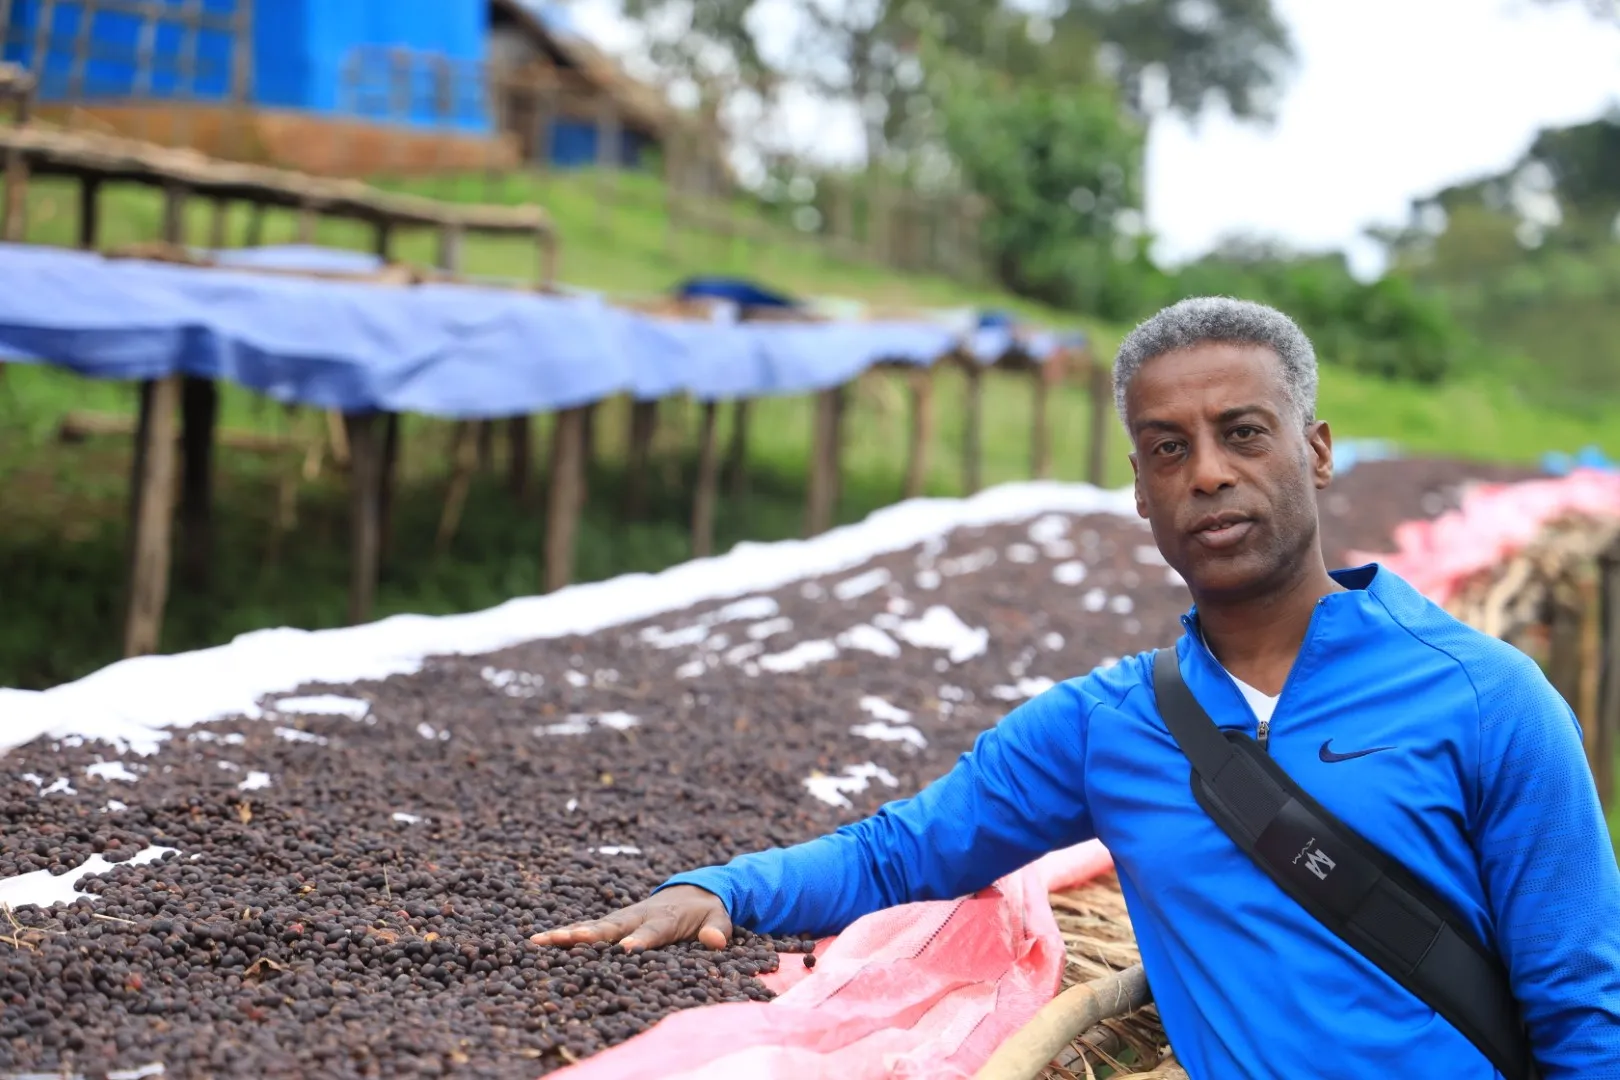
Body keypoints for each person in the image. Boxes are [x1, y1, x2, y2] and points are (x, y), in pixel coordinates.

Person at [531, 297, 1620, 1078]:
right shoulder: (1113, 726)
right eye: (1166, 448)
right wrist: (721, 890)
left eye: (1243, 434)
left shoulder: (1487, 698)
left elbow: (1585, 1012)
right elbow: (905, 849)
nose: (1206, 472)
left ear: (1318, 451)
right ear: (1141, 494)